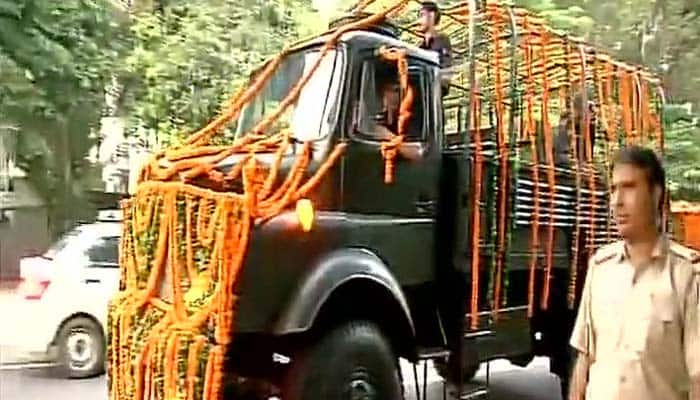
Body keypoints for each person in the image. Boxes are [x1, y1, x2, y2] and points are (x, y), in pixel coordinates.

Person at [568, 145, 700, 400]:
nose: (617, 201)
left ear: (655, 194)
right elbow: (585, 360)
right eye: (613, 189)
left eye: (629, 187)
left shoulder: (686, 276)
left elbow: (698, 377)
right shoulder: (600, 268)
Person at [417, 1, 453, 69]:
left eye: (422, 15)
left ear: (432, 16)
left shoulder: (442, 39)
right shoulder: (420, 46)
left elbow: (447, 65)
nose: (418, 21)